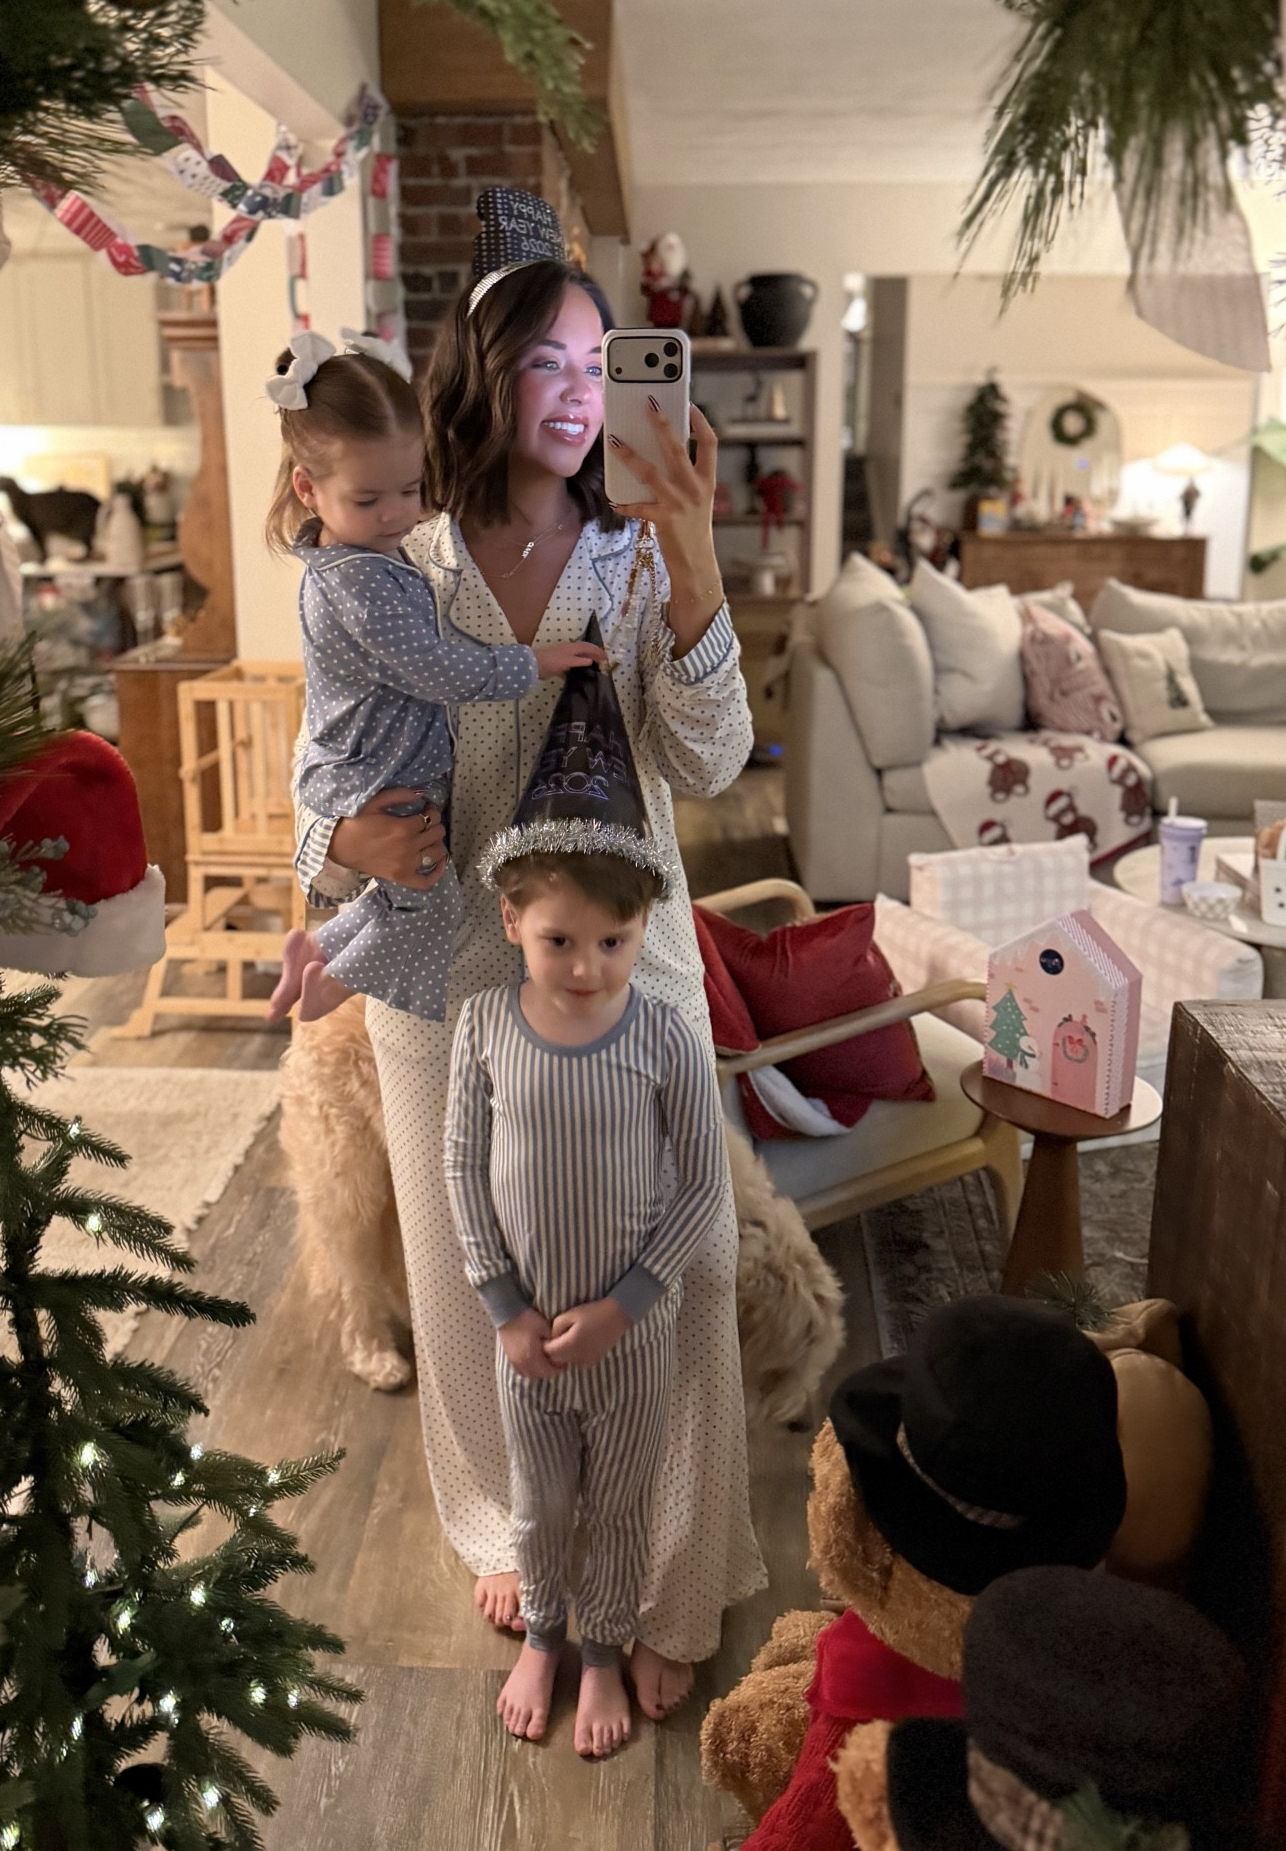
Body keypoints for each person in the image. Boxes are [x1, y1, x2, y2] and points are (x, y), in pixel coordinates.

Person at [293, 189, 764, 1717]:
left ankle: (671, 1567)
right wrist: (334, 848)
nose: (575, 393)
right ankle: (512, 1523)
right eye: (546, 362)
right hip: (447, 955)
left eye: (596, 364)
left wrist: (692, 558)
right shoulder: (390, 553)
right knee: (464, 1260)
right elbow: (322, 763)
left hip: (628, 953)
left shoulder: (634, 555)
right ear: (482, 372)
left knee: (678, 1256)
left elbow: (704, 759)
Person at [445, 630, 733, 1757]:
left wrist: (625, 1304)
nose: (585, 964)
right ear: (512, 915)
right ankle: (545, 1632)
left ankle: (604, 1649)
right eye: (560, 936)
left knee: (615, 1501)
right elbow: (463, 1170)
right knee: (539, 1498)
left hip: (629, 1334)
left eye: (613, 939)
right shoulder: (483, 1027)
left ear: (644, 927)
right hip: (525, 1337)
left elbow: (702, 1180)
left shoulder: (661, 1033)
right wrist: (506, 1304)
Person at [261, 328, 603, 1024]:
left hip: (377, 768)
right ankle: (329, 984)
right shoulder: (360, 583)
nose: (395, 516)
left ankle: (315, 949)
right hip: (374, 775)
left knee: (403, 898)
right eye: (368, 500)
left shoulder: (351, 558)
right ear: (308, 488)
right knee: (431, 905)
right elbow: (439, 668)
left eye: (410, 490)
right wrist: (531, 661)